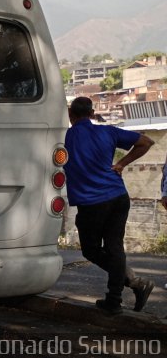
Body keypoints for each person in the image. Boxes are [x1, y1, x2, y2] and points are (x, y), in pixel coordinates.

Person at [64, 96, 155, 315]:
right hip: (117, 196)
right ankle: (116, 298)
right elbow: (146, 141)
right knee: (115, 247)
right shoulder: (108, 131)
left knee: (91, 250)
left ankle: (133, 283)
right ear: (93, 114)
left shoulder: (67, 136)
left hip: (92, 202)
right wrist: (121, 164)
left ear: (70, 115)